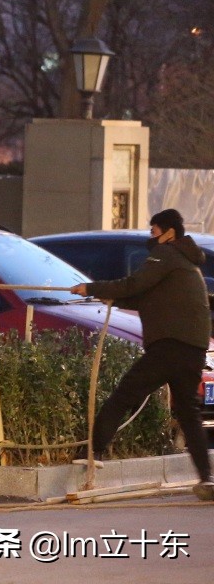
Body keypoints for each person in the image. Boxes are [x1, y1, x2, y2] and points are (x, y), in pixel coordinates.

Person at [68, 208, 214, 501]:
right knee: (188, 413)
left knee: (125, 393)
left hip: (169, 346)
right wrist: (109, 295)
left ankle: (91, 450)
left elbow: (135, 284)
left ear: (169, 232)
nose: (151, 236)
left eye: (153, 231)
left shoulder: (166, 255)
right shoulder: (188, 263)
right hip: (193, 349)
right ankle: (207, 478)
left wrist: (90, 287)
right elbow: (144, 296)